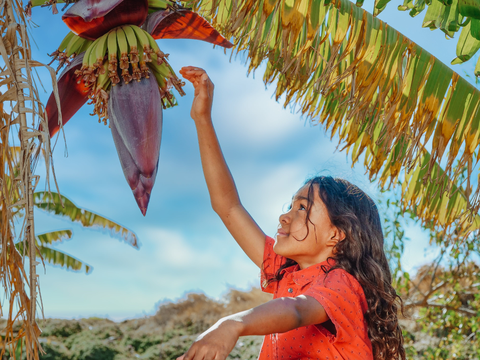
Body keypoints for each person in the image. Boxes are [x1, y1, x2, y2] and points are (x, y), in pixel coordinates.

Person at [177, 66, 406, 360]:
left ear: (336, 234)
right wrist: (202, 118)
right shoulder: (287, 272)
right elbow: (228, 206)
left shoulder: (342, 285)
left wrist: (231, 324)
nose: (284, 217)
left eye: (302, 208)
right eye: (290, 206)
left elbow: (297, 310)